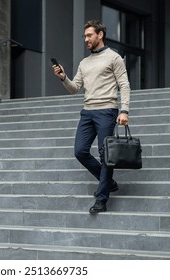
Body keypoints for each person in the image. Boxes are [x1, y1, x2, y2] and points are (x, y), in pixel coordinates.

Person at [52, 20, 130, 214]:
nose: (86, 39)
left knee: (105, 156)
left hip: (107, 111)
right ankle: (108, 182)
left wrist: (124, 110)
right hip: (87, 112)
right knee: (80, 151)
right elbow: (74, 89)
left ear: (100, 35)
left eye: (89, 35)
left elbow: (124, 85)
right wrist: (63, 77)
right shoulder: (84, 63)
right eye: (84, 36)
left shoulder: (114, 58)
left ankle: (101, 199)